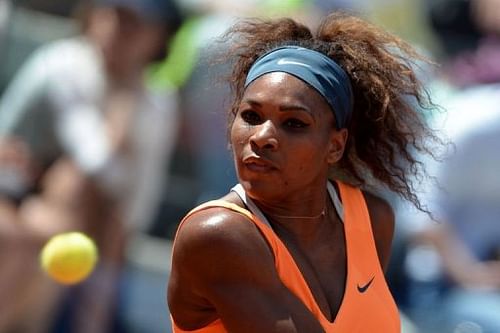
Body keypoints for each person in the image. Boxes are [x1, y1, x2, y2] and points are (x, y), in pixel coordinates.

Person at [168, 12, 440, 333]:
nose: (261, 136)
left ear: (335, 146)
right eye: (251, 116)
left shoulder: (372, 218)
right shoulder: (217, 235)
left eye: (294, 123)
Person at [0, 0, 183, 332]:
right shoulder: (64, 63)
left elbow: (135, 207)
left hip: (72, 220)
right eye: (110, 14)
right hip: (11, 196)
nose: (116, 29)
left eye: (132, 22)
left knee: (79, 221)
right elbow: (99, 164)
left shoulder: (160, 102)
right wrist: (123, 111)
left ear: (160, 37)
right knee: (49, 217)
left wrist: (99, 306)